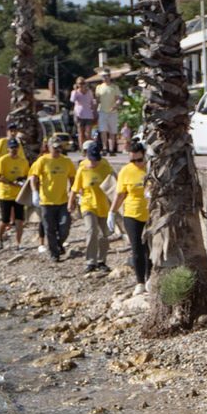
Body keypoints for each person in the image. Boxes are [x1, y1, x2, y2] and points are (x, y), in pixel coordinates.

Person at [111, 140, 152, 293]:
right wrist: (112, 212)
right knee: (137, 248)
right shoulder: (125, 171)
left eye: (139, 160)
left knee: (149, 248)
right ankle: (139, 282)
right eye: (132, 160)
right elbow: (120, 194)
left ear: (144, 156)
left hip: (150, 214)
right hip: (132, 214)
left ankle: (149, 278)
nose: (136, 163)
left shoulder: (151, 168)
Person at [28, 134, 77, 262]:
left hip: (62, 200)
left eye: (59, 148)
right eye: (54, 148)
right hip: (46, 201)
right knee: (49, 228)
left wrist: (75, 195)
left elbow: (73, 179)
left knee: (65, 226)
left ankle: (59, 243)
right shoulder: (42, 161)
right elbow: (33, 177)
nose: (57, 150)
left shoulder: (66, 161)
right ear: (49, 147)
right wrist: (35, 192)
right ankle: (54, 253)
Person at [69, 140, 115, 273]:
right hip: (88, 204)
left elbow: (113, 183)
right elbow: (75, 188)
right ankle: (91, 261)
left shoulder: (105, 166)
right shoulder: (82, 168)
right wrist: (70, 202)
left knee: (104, 235)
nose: (95, 162)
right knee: (91, 231)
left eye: (97, 159)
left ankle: (102, 261)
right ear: (87, 156)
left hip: (103, 206)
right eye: (92, 159)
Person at [0, 137, 30, 250]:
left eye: (15, 148)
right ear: (8, 149)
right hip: (5, 194)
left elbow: (26, 176)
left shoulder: (23, 162)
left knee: (19, 220)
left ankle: (18, 244)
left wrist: (21, 180)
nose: (14, 150)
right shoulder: (2, 161)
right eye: (12, 148)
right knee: (5, 220)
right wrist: (10, 182)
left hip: (19, 195)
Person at [95, 76, 122, 154]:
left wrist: (116, 104)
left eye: (107, 76)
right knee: (103, 130)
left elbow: (119, 98)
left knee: (112, 131)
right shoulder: (99, 87)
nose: (105, 78)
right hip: (102, 111)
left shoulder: (114, 87)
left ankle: (111, 149)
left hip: (112, 112)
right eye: (104, 76)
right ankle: (104, 148)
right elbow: (97, 99)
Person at [70, 78, 97, 147]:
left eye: (82, 83)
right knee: (81, 133)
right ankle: (82, 148)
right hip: (79, 114)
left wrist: (94, 111)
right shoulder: (75, 92)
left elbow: (92, 102)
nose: (81, 85)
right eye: (79, 83)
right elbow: (72, 100)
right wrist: (75, 90)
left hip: (88, 114)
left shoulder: (89, 92)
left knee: (88, 133)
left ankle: (88, 147)